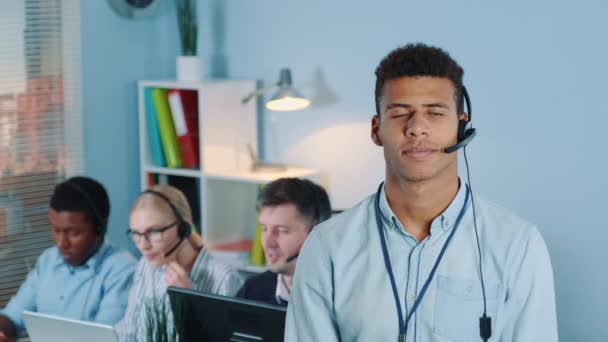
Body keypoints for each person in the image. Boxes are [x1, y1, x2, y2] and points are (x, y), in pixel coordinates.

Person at [285, 43, 558, 341]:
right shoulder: (326, 248)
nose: (417, 128)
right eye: (401, 113)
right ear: (376, 130)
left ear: (461, 128)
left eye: (435, 113)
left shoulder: (517, 246)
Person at [0, 176, 136, 342]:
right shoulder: (48, 260)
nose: (61, 243)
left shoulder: (122, 270)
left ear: (101, 227)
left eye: (73, 233)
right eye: (56, 231)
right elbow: (13, 317)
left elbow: (104, 339)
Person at [115, 185, 244, 341]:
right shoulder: (146, 266)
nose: (144, 245)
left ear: (184, 228)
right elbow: (128, 332)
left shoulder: (225, 279)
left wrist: (189, 305)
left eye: (154, 232)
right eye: (136, 234)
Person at [236, 178, 332, 306]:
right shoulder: (252, 291)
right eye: (264, 229)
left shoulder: (342, 300)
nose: (268, 242)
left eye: (281, 230)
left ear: (316, 235)